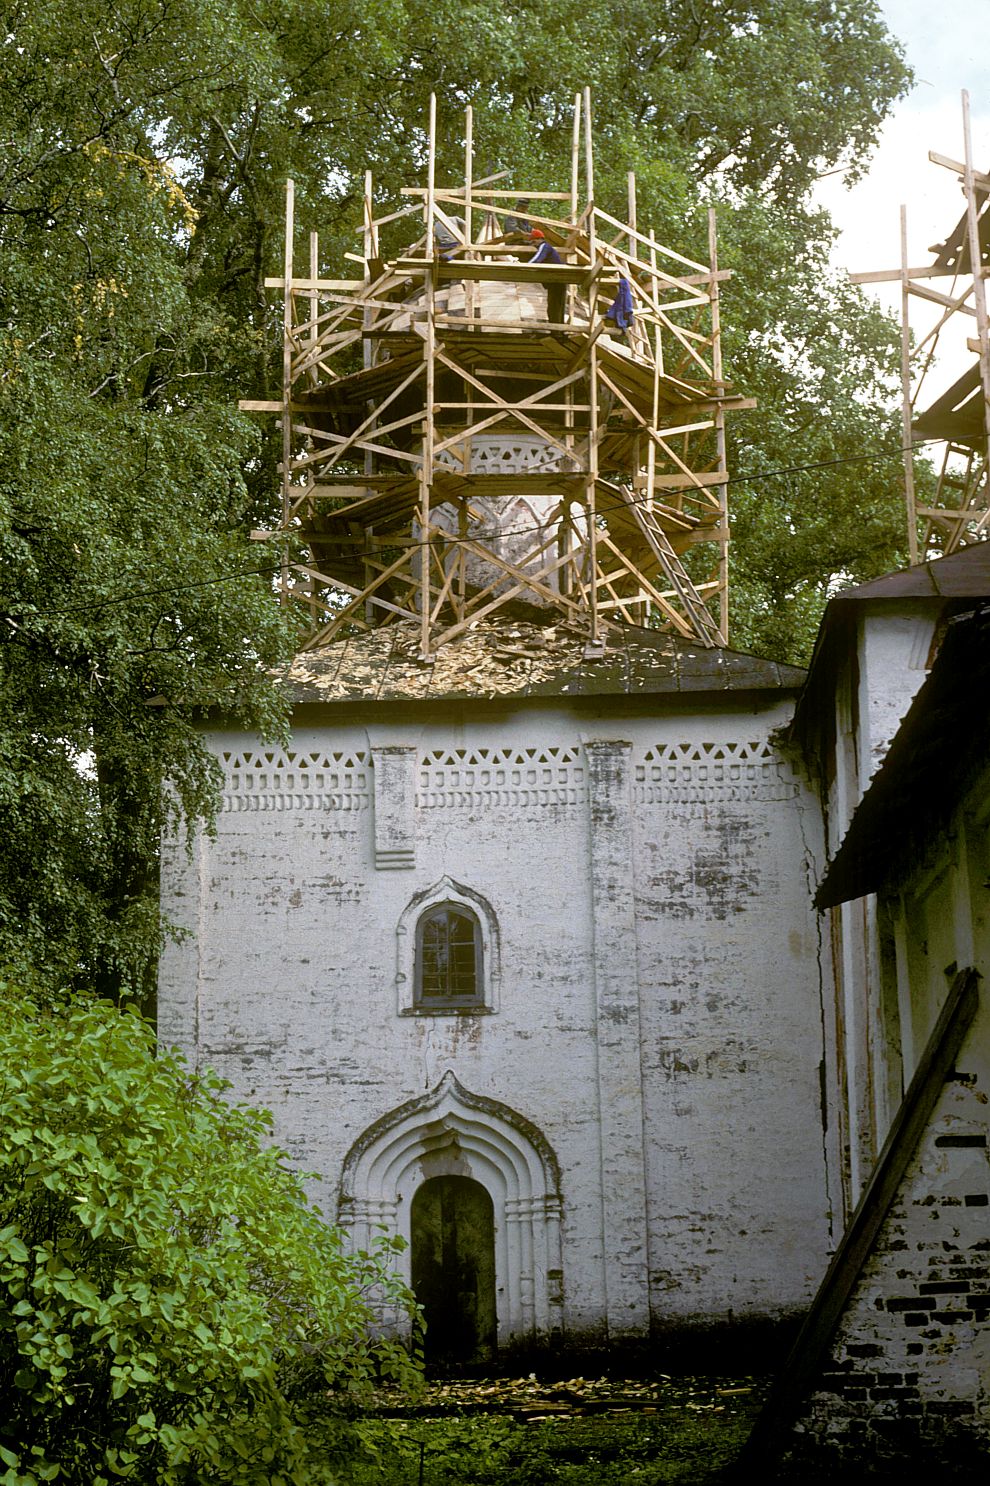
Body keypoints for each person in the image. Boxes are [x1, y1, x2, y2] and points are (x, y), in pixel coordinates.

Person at [529, 229, 565, 324]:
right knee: (554, 307)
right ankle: (557, 331)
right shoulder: (545, 247)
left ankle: (557, 332)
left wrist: (521, 266)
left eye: (534, 241)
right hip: (555, 281)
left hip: (557, 280)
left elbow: (536, 260)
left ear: (540, 239)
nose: (533, 244)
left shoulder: (544, 246)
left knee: (554, 307)